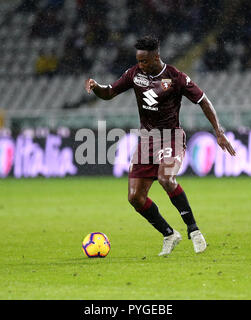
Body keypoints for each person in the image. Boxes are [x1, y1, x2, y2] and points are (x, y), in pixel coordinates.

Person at [85, 35, 236, 256]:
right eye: (138, 60)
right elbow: (109, 92)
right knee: (135, 198)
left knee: (166, 178)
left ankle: (194, 230)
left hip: (171, 137)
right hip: (146, 141)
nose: (141, 65)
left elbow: (203, 100)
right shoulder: (134, 74)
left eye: (144, 61)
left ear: (156, 56)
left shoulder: (176, 77)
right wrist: (96, 87)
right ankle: (168, 234)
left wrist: (218, 132)